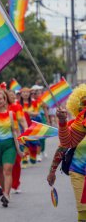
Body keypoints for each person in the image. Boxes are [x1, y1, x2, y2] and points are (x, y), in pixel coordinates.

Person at [47, 84, 86, 222]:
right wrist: (62, 122)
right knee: (83, 211)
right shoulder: (81, 120)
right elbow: (66, 144)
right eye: (83, 102)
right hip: (80, 172)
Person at [0, 89, 23, 208]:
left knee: (8, 169)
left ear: (4, 100)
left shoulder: (11, 114)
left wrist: (21, 142)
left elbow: (16, 130)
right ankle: (3, 189)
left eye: (0, 99)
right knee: (0, 171)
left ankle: (6, 194)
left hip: (9, 145)